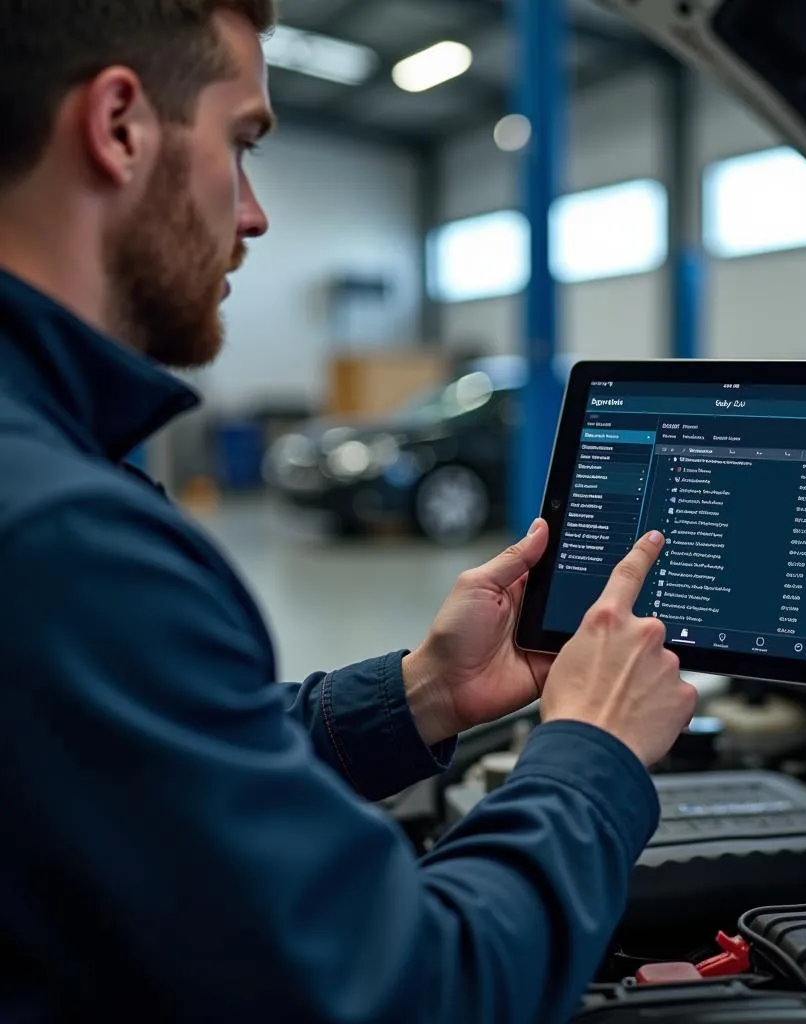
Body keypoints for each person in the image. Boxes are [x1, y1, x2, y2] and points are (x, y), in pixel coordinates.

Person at [0, 2, 699, 1020]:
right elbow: (413, 992)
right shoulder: (61, 538)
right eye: (242, 145)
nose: (253, 214)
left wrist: (421, 693)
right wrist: (590, 749)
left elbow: (153, 770)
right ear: (118, 127)